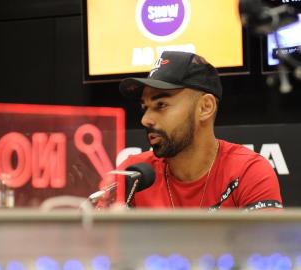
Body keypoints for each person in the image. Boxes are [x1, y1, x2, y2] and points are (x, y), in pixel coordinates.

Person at [118, 51, 283, 210]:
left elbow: (266, 238)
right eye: (144, 107)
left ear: (205, 107)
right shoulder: (133, 175)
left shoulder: (247, 171)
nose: (145, 120)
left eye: (161, 105)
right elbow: (96, 234)